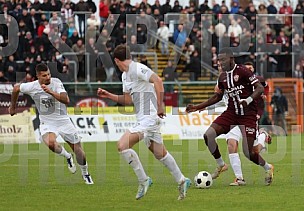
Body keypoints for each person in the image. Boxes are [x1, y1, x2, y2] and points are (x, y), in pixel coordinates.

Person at [97, 44, 190, 200]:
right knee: (159, 153)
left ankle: (143, 180)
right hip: (142, 118)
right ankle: (182, 179)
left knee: (122, 145)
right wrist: (108, 95)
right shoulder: (125, 76)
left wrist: (160, 105)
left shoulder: (138, 68)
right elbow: (127, 99)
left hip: (150, 117)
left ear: (117, 60)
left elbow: (158, 81)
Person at [185, 48, 274, 186]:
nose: (220, 62)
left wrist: (248, 100)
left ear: (231, 58)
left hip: (248, 116)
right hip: (231, 114)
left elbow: (260, 88)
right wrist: (197, 106)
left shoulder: (243, 71)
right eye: (219, 60)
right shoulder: (222, 77)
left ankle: (268, 167)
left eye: (223, 59)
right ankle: (223, 166)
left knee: (249, 152)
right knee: (209, 135)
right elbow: (217, 97)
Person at [9, 63, 94, 185]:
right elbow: (16, 88)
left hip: (63, 120)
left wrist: (51, 92)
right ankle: (67, 156)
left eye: (49, 74)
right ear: (38, 76)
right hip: (47, 122)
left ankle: (86, 173)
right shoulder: (32, 86)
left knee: (79, 150)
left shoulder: (56, 82)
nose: (48, 77)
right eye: (44, 75)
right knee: (50, 143)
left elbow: (66, 100)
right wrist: (12, 107)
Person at [222, 62, 272, 186]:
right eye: (247, 68)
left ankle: (263, 138)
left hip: (249, 118)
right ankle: (239, 178)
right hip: (233, 117)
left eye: (251, 69)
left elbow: (265, 86)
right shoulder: (227, 80)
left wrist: (265, 95)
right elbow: (218, 93)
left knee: (252, 151)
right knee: (231, 144)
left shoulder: (256, 81)